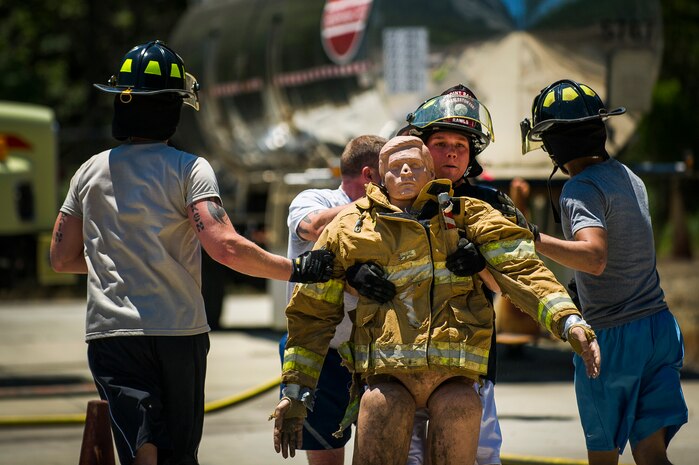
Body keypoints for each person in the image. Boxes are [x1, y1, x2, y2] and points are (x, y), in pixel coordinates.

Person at [49, 40, 333, 465]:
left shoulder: (89, 171)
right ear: (175, 107)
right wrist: (295, 269)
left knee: (139, 449)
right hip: (177, 332)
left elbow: (62, 258)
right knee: (178, 454)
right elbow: (225, 247)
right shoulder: (189, 169)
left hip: (111, 334)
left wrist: (123, 257)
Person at [272, 135, 601, 465]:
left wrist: (568, 320)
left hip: (454, 376)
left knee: (461, 406)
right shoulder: (350, 228)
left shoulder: (468, 217)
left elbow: (521, 269)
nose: (405, 172)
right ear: (377, 176)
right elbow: (311, 312)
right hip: (388, 378)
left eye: (415, 165)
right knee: (381, 407)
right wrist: (296, 390)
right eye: (395, 167)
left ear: (431, 174)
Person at [520, 79, 688, 465]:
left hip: (612, 342)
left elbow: (595, 256)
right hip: (658, 329)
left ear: (554, 143)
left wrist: (533, 238)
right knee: (652, 454)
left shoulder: (580, 189)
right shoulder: (629, 178)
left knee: (602, 458)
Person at [397, 84, 533, 465]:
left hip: (469, 365)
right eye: (441, 142)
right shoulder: (391, 201)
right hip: (398, 365)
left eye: (462, 144)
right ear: (421, 146)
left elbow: (515, 285)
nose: (453, 151)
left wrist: (482, 263)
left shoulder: (491, 205)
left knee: (478, 456)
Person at [279, 134, 390, 465]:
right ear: (370, 176)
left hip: (374, 356)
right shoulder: (315, 199)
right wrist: (377, 202)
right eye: (391, 172)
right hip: (320, 357)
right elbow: (313, 227)